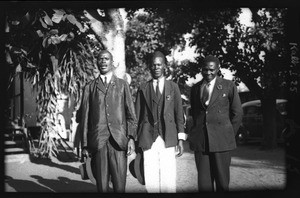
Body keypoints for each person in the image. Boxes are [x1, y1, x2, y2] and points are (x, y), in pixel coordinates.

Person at [79, 50, 137, 192]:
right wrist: (85, 145)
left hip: (119, 141)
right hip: (98, 142)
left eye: (106, 59)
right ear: (97, 62)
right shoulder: (89, 87)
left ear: (112, 63)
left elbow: (131, 115)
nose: (103, 61)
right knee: (102, 186)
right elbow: (85, 118)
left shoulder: (122, 85)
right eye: (100, 59)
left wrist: (130, 138)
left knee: (119, 186)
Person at [188, 55, 243, 192]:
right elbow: (196, 114)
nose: (208, 73)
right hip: (202, 143)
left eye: (212, 70)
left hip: (221, 141)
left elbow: (237, 113)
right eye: (205, 69)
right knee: (204, 184)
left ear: (218, 69)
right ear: (201, 70)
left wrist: (228, 133)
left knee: (222, 183)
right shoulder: (195, 88)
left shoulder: (228, 86)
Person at [135, 51, 186, 193]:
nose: (156, 67)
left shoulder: (173, 87)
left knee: (168, 178)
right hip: (147, 137)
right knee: (150, 178)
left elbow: (179, 115)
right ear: (150, 67)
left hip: (167, 137)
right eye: (153, 65)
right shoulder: (143, 88)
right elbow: (137, 115)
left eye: (159, 64)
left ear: (164, 66)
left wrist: (180, 139)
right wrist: (133, 139)